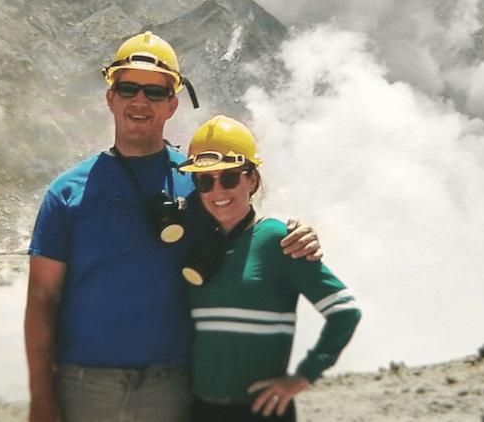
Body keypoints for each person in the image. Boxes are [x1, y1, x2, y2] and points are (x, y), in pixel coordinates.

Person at [24, 31, 323, 422]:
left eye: (155, 92)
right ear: (111, 97)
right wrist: (41, 397)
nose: (140, 101)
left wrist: (297, 234)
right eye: (129, 88)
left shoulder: (200, 181)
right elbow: (42, 300)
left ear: (172, 105)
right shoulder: (66, 193)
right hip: (82, 388)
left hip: (173, 388)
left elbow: (244, 232)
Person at [178, 115, 361, 422]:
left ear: (252, 179)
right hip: (201, 410)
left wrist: (304, 376)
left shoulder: (278, 238)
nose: (217, 190)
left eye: (230, 178)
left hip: (263, 413)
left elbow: (344, 311)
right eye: (205, 180)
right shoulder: (195, 243)